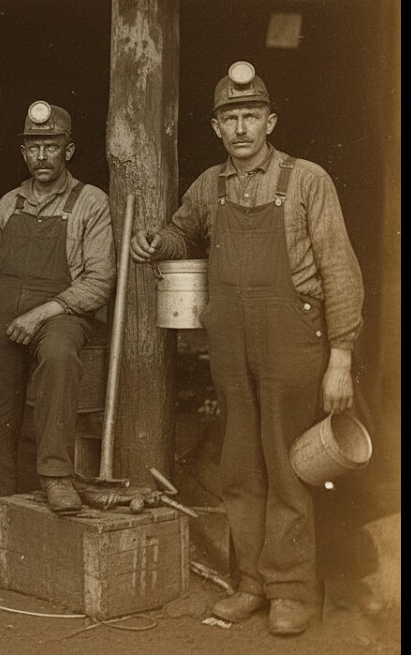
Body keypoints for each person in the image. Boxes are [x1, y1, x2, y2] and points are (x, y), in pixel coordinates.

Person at [131, 62, 363, 636]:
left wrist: (342, 356)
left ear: (270, 120)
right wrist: (160, 239)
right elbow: (185, 230)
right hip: (231, 343)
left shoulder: (307, 180)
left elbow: (341, 271)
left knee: (288, 467)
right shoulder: (210, 187)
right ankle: (252, 583)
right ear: (216, 127)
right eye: (230, 117)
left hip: (291, 341)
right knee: (240, 466)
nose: (240, 128)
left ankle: (290, 588)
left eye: (251, 116)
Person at [0, 101, 115, 573]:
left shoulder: (91, 202)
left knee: (61, 355)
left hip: (61, 309)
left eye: (51, 146)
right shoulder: (9, 202)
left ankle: (55, 473)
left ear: (68, 149)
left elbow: (99, 280)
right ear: (24, 153)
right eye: (33, 147)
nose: (42, 156)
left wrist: (43, 311)